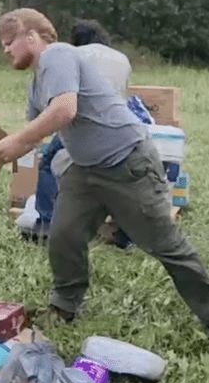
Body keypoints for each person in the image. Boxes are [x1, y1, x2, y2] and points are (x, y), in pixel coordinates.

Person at [0, 8, 209, 342]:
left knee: (164, 243)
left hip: (127, 162)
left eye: (9, 42)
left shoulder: (58, 54)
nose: (5, 50)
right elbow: (41, 129)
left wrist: (19, 141)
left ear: (31, 37)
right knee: (64, 235)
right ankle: (64, 305)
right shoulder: (37, 83)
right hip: (86, 169)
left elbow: (64, 110)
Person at [30, 19, 133, 243]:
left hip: (84, 125)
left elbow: (62, 98)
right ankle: (125, 233)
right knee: (119, 178)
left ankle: (46, 224)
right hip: (119, 129)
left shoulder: (72, 55)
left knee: (49, 163)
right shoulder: (122, 59)